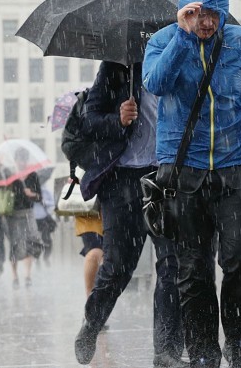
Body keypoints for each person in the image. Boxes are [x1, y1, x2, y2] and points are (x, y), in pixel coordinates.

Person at [143, 0, 241, 368]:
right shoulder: (163, 41)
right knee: (193, 271)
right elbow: (156, 83)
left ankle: (237, 338)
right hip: (184, 175)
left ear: (225, 12)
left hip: (235, 169)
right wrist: (183, 36)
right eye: (198, 13)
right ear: (185, 11)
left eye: (213, 14)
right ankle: (204, 353)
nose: (206, 21)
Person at [73, 60, 186, 368]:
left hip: (164, 178)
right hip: (122, 180)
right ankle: (92, 324)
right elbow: (88, 120)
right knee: (117, 268)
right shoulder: (115, 68)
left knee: (171, 265)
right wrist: (118, 119)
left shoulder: (175, 64)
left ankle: (167, 351)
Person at [2, 152, 43, 289]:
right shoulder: (10, 175)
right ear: (15, 160)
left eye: (24, 160)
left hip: (28, 213)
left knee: (30, 242)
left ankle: (27, 275)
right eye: (19, 160)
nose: (21, 162)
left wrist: (32, 194)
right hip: (12, 214)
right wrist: (12, 187)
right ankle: (14, 276)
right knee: (14, 244)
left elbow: (39, 197)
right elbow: (3, 191)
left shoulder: (33, 175)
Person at [75, 213, 104, 297]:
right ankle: (91, 297)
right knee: (95, 252)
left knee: (111, 257)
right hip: (90, 213)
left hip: (116, 211)